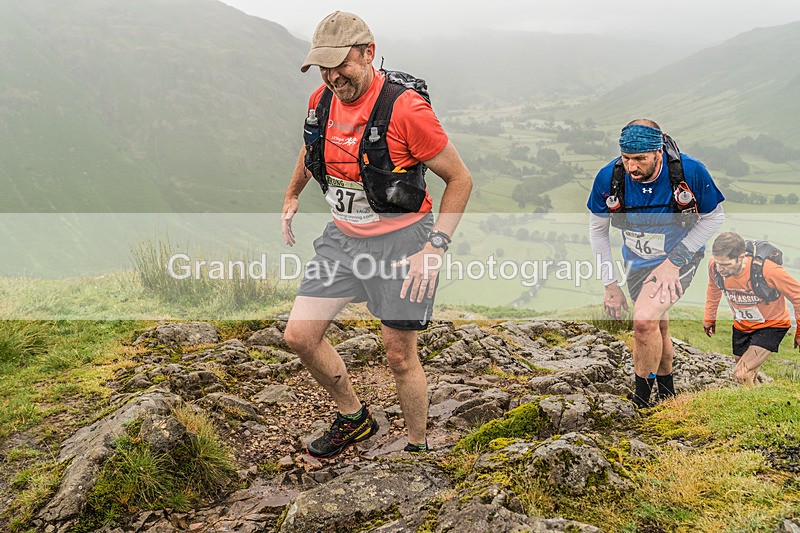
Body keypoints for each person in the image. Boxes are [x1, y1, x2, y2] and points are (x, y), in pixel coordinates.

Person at [280, 11, 472, 458]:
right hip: (343, 239)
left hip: (403, 242)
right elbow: (312, 150)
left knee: (399, 355)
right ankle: (355, 419)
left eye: (340, 65)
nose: (332, 77)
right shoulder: (320, 100)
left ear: (368, 53)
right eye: (323, 67)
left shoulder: (406, 109)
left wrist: (435, 247)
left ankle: (417, 448)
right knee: (299, 336)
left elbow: (460, 179)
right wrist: (291, 194)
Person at [587, 119, 725, 408]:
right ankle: (667, 395)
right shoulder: (609, 177)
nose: (632, 167)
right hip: (637, 261)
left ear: (658, 152)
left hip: (679, 258)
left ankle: (640, 402)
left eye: (640, 159)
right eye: (626, 158)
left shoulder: (690, 172)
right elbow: (598, 231)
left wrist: (674, 263)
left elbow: (714, 218)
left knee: (643, 321)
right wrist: (610, 284)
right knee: (657, 327)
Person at [704, 232, 800, 385]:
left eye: (726, 265)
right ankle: (760, 398)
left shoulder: (768, 270)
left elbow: (798, 295)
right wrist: (709, 317)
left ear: (741, 257)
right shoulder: (714, 266)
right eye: (718, 263)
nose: (720, 269)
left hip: (772, 325)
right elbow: (713, 288)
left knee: (741, 373)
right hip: (742, 325)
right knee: (747, 376)